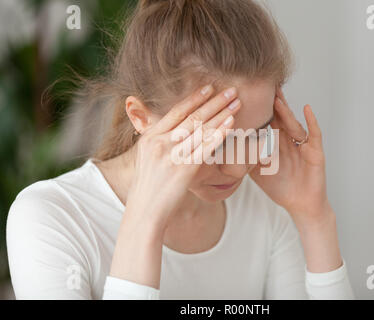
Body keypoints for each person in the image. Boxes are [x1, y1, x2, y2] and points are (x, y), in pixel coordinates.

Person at [6, 0, 354, 299]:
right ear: (141, 117)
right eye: (214, 141)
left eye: (256, 134)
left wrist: (315, 218)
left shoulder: (263, 212)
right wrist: (144, 223)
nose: (237, 167)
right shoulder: (51, 218)